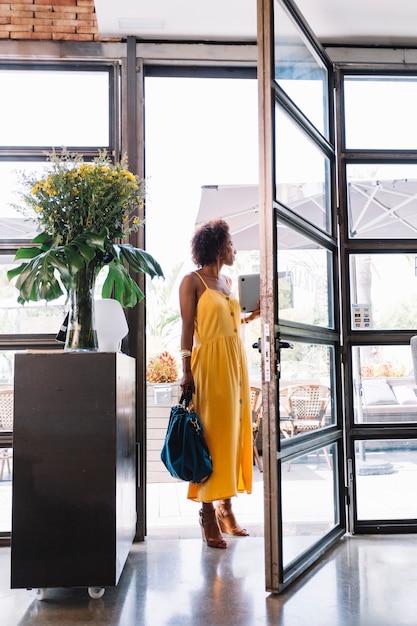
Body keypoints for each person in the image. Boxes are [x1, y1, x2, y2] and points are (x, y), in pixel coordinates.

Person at [179, 218, 260, 549]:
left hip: (235, 365)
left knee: (234, 434)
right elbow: (187, 329)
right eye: (230, 244)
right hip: (209, 366)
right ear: (216, 247)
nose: (234, 249)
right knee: (211, 436)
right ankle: (208, 514)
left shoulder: (227, 281)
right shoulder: (192, 281)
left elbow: (228, 322)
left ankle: (227, 507)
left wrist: (251, 316)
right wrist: (185, 370)